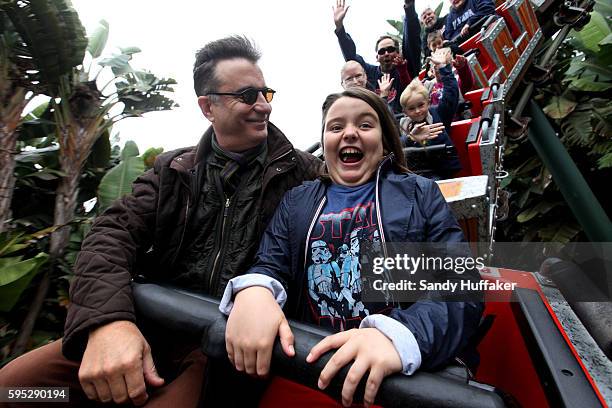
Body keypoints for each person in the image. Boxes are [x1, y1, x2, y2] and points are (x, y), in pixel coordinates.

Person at [0, 36, 321, 407]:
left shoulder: (305, 175)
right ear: (207, 107)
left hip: (222, 348)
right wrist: (109, 324)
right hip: (151, 327)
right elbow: (110, 234)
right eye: (248, 95)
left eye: (266, 93)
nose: (263, 106)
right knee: (17, 389)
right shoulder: (174, 170)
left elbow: (373, 220)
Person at [222, 87, 483, 407]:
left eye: (364, 125)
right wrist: (257, 289)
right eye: (335, 127)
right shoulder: (297, 201)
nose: (348, 133)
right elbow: (270, 262)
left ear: (385, 140)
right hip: (314, 370)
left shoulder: (420, 193)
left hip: (401, 380)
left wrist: (400, 336)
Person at [333, 0, 421, 114]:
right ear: (377, 57)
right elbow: (351, 57)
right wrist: (340, 28)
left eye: (390, 49)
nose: (386, 53)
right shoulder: (370, 73)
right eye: (382, 51)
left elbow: (412, 39)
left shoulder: (406, 66)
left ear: (398, 52)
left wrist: (409, 8)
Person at [399, 48, 462, 179]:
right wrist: (411, 138)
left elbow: (451, 94)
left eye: (421, 105)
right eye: (411, 108)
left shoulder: (438, 114)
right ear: (405, 112)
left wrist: (444, 68)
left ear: (428, 102)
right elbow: (394, 146)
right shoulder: (403, 126)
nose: (417, 111)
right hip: (419, 175)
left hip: (444, 171)